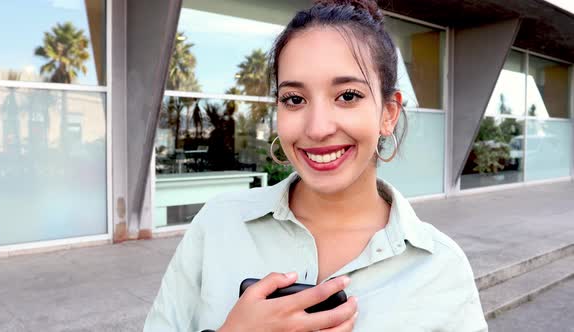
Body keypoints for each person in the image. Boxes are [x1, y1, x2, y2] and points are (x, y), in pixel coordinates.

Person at [144, 0, 488, 331]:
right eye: (294, 99)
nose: (317, 128)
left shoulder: (440, 267)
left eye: (348, 96)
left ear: (388, 113)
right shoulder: (218, 225)